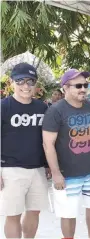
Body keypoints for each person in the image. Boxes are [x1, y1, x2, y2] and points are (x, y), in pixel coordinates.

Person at [42, 68, 90, 239]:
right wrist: (55, 173)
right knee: (68, 214)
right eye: (78, 86)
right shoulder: (55, 111)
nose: (83, 89)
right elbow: (48, 144)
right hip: (67, 174)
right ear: (65, 88)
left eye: (85, 85)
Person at [0, 63, 50, 239]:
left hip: (37, 169)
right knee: (13, 214)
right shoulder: (3, 107)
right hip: (10, 169)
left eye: (30, 81)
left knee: (34, 212)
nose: (26, 86)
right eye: (20, 81)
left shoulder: (42, 108)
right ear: (12, 82)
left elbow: (47, 140)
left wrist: (48, 165)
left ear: (36, 84)